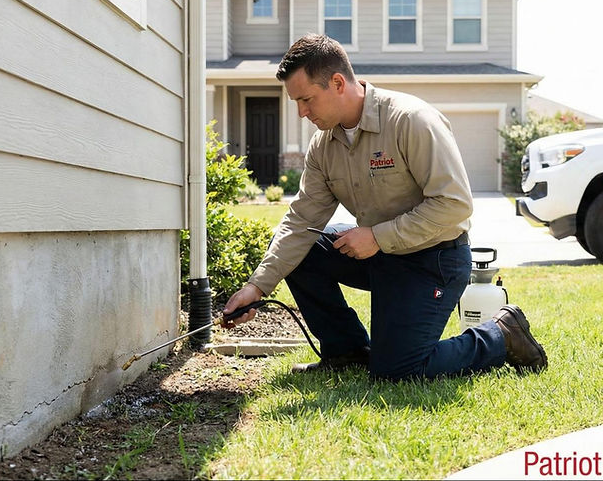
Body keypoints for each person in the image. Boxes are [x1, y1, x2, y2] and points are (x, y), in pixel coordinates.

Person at [223, 34, 547, 380]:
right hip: (378, 255)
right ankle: (346, 351)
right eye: (297, 103)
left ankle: (501, 335)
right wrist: (257, 287)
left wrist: (378, 237)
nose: (302, 113)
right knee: (306, 249)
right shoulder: (323, 145)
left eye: (306, 100)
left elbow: (454, 204)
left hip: (433, 259)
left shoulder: (412, 121)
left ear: (337, 83)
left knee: (399, 370)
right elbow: (301, 220)